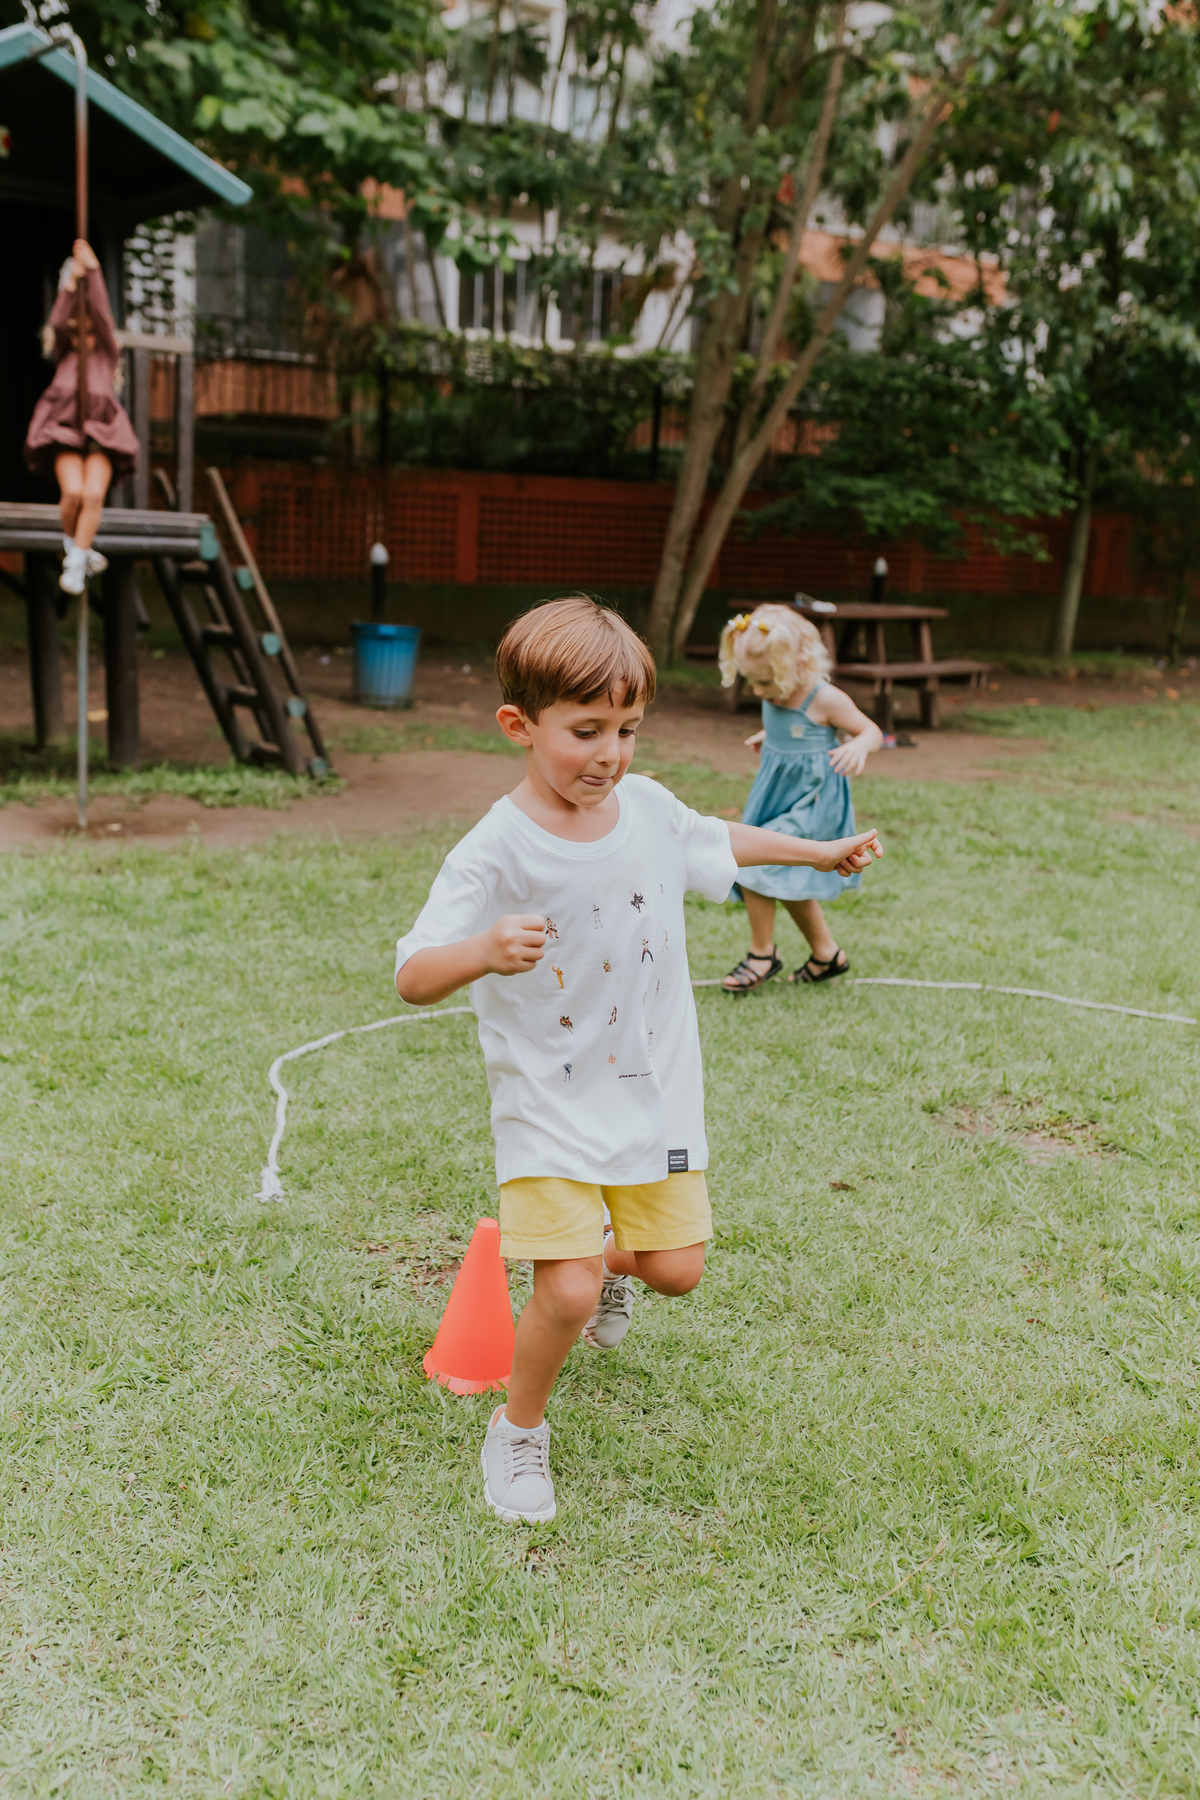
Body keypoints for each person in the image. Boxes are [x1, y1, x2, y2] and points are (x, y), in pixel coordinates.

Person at [394, 596, 882, 1524]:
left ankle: (607, 1264)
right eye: (586, 731)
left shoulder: (647, 807)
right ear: (519, 726)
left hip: (654, 1096)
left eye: (627, 729)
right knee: (566, 1291)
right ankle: (520, 1432)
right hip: (547, 1102)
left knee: (677, 1270)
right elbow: (413, 975)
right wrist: (483, 950)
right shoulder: (494, 850)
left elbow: (718, 840)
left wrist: (819, 853)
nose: (611, 753)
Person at [718, 603, 883, 995]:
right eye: (752, 683)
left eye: (764, 684)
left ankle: (762, 954)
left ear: (800, 662)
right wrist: (770, 737)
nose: (758, 692)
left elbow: (871, 729)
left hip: (813, 800)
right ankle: (826, 954)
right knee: (786, 873)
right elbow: (790, 728)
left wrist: (859, 746)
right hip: (777, 794)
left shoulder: (826, 698)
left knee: (755, 864)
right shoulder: (775, 687)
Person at [24, 239, 139, 596]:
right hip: (65, 431)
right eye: (77, 331)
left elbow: (102, 314)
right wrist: (71, 284)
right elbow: (58, 322)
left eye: (88, 330)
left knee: (92, 494)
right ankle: (79, 548)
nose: (83, 337)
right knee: (72, 492)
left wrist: (93, 271)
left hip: (102, 433)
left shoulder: (106, 353)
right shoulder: (64, 353)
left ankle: (76, 559)